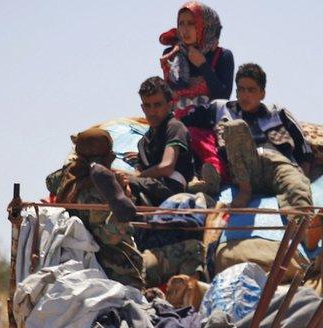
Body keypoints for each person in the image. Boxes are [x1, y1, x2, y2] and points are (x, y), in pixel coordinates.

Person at [55, 127, 146, 289]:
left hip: (80, 264)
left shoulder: (69, 181)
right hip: (116, 271)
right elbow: (110, 236)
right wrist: (125, 195)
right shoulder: (95, 191)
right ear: (107, 156)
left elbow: (51, 182)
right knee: (191, 249)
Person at [183, 63, 314, 173]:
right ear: (236, 92)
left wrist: (301, 179)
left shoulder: (278, 114)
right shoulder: (220, 109)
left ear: (262, 94)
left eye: (251, 90)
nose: (245, 95)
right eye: (241, 89)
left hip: (279, 172)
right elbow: (183, 124)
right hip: (237, 177)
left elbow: (305, 153)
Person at [118, 77, 195, 207]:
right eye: (148, 106)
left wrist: (137, 176)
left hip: (171, 191)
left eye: (158, 105)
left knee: (117, 181)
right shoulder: (143, 142)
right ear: (142, 108)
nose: (152, 111)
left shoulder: (174, 127)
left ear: (170, 105)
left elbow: (166, 167)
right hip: (148, 189)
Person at [159, 2, 234, 118]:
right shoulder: (173, 55)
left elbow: (223, 98)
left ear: (204, 25)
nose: (185, 29)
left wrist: (203, 65)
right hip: (178, 128)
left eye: (191, 23)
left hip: (210, 126)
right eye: (181, 24)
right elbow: (168, 99)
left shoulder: (222, 56)